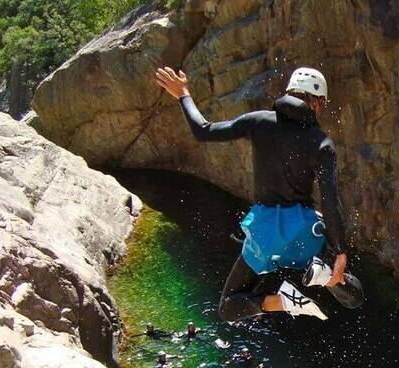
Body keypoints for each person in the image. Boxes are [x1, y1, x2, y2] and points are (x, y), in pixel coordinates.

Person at [154, 66, 364, 321]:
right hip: (306, 231)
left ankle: (283, 301)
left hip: (266, 236)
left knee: (229, 307)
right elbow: (331, 203)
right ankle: (323, 273)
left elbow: (203, 130)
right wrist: (340, 252)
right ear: (318, 102)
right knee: (354, 297)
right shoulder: (322, 143)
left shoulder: (259, 122)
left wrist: (183, 94)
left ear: (290, 92)